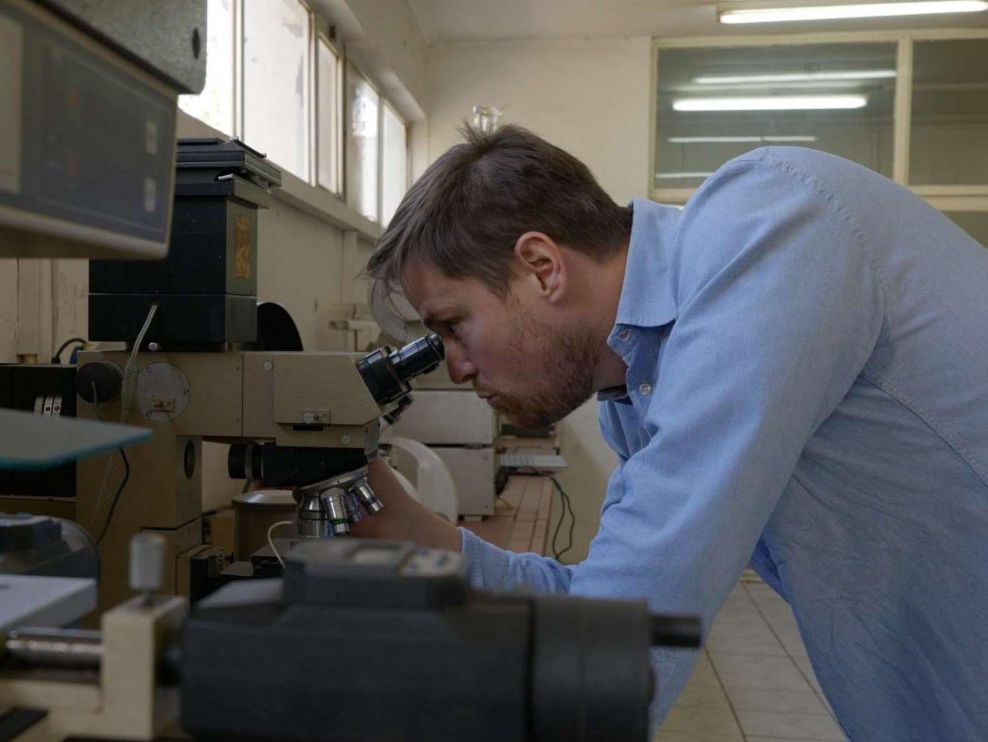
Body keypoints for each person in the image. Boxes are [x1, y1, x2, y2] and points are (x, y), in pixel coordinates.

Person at [353, 123, 988, 740]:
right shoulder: (636, 392)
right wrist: (393, 519)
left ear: (542, 266)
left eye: (453, 326)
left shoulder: (771, 222)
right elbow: (609, 606)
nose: (456, 368)